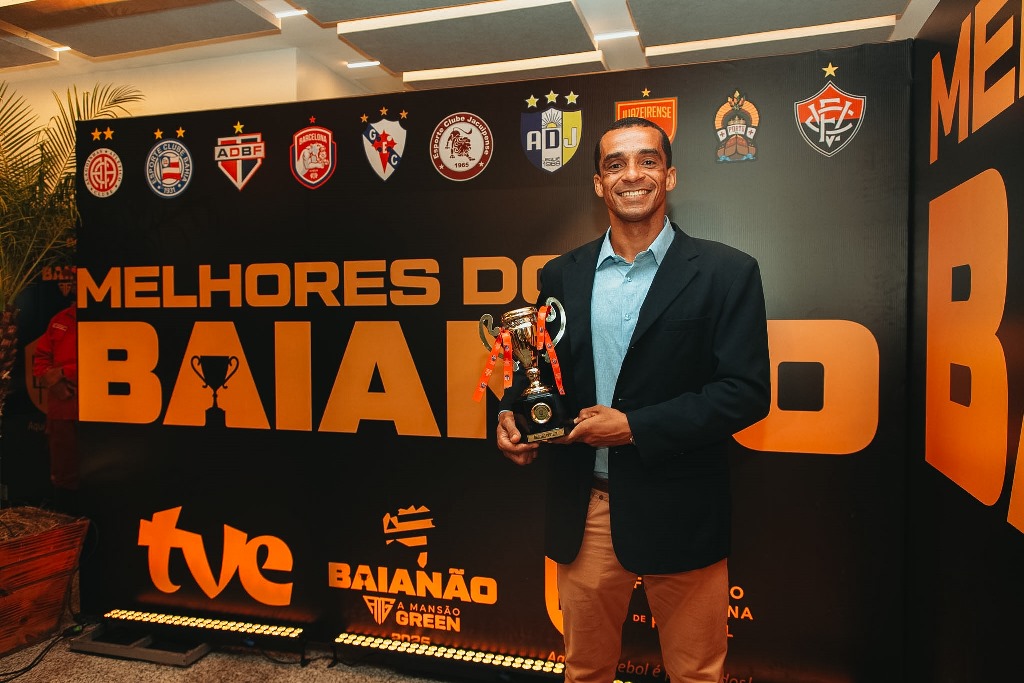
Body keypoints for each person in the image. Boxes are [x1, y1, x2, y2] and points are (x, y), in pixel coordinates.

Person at [496, 117, 771, 683]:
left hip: (682, 508)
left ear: (670, 175)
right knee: (585, 670)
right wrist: (508, 414)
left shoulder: (727, 272)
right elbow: (534, 369)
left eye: (648, 160)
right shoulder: (561, 274)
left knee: (696, 673)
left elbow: (745, 394)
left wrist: (634, 426)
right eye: (615, 164)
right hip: (588, 508)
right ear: (599, 183)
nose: (632, 175)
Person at [33, 294, 79, 515]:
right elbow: (40, 359)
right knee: (63, 475)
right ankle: (67, 526)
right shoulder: (60, 319)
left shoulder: (110, 318)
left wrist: (63, 373)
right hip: (62, 412)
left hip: (101, 413)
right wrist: (51, 380)